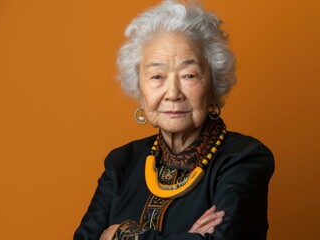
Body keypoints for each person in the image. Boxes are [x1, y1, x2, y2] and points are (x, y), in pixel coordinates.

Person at [74, 1, 274, 239]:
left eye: (189, 75)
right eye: (157, 76)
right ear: (139, 89)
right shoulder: (121, 163)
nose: (172, 93)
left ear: (214, 84)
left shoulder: (243, 159)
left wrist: (121, 233)